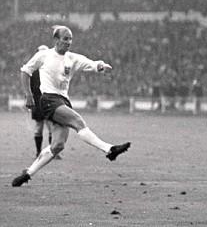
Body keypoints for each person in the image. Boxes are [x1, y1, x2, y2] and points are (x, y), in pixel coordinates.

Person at [12, 25, 131, 187]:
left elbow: (91, 63)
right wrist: (28, 94)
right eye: (65, 38)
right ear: (56, 40)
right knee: (78, 121)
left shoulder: (72, 58)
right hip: (48, 99)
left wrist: (101, 66)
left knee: (58, 145)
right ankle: (109, 150)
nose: (69, 42)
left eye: (70, 39)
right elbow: (25, 71)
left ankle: (27, 173)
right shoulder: (44, 55)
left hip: (63, 101)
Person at [29, 45, 55, 158]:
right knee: (48, 126)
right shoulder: (46, 70)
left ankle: (40, 151)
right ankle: (47, 151)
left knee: (42, 127)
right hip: (45, 101)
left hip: (41, 102)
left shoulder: (33, 71)